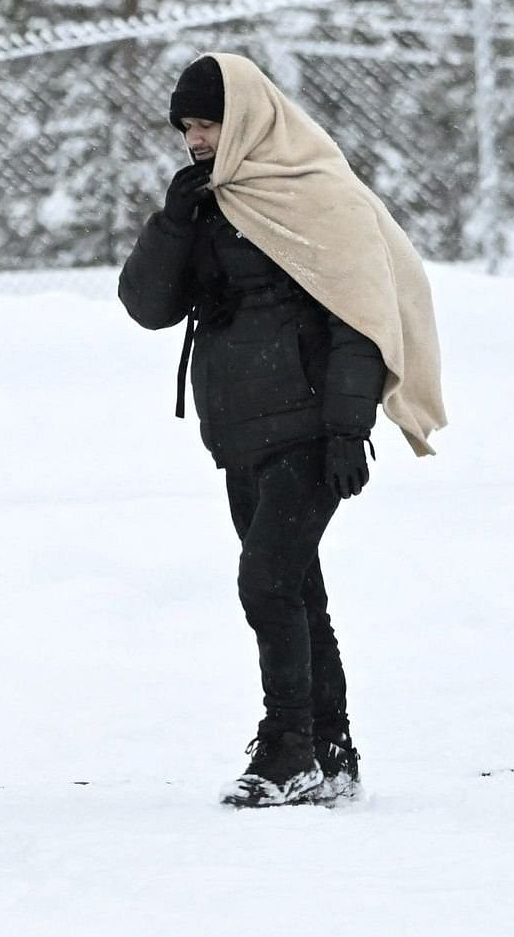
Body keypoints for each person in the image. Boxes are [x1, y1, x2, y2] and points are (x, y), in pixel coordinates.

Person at [118, 53, 445, 808]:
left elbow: (360, 313)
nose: (196, 139)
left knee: (265, 583)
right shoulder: (209, 200)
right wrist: (175, 221)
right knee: (297, 591)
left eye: (208, 122)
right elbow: (146, 304)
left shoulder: (318, 192)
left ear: (248, 118)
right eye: (187, 128)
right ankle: (330, 752)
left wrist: (345, 426)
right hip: (239, 432)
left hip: (307, 429)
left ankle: (288, 747)